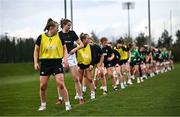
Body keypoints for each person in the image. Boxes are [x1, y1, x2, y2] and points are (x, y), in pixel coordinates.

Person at [34, 18, 71, 111]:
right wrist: (35, 62)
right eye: (57, 28)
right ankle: (43, 105)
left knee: (60, 83)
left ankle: (67, 104)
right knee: (42, 86)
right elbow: (36, 50)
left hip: (57, 63)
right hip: (45, 63)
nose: (58, 29)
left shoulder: (60, 36)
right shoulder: (41, 37)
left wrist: (65, 60)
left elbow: (65, 49)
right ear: (51, 28)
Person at [57, 18, 84, 105]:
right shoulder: (58, 34)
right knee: (60, 80)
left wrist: (74, 49)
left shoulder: (72, 33)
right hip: (61, 58)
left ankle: (80, 98)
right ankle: (60, 99)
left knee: (76, 79)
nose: (69, 27)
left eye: (70, 25)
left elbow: (82, 45)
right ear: (63, 25)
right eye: (68, 25)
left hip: (71, 57)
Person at [77, 33, 96, 99]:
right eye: (87, 38)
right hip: (80, 65)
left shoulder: (91, 46)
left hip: (88, 65)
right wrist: (77, 65)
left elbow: (94, 56)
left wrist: (92, 64)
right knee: (79, 80)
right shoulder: (78, 46)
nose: (89, 39)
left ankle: (93, 93)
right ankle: (78, 94)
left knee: (90, 79)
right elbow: (76, 56)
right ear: (84, 39)